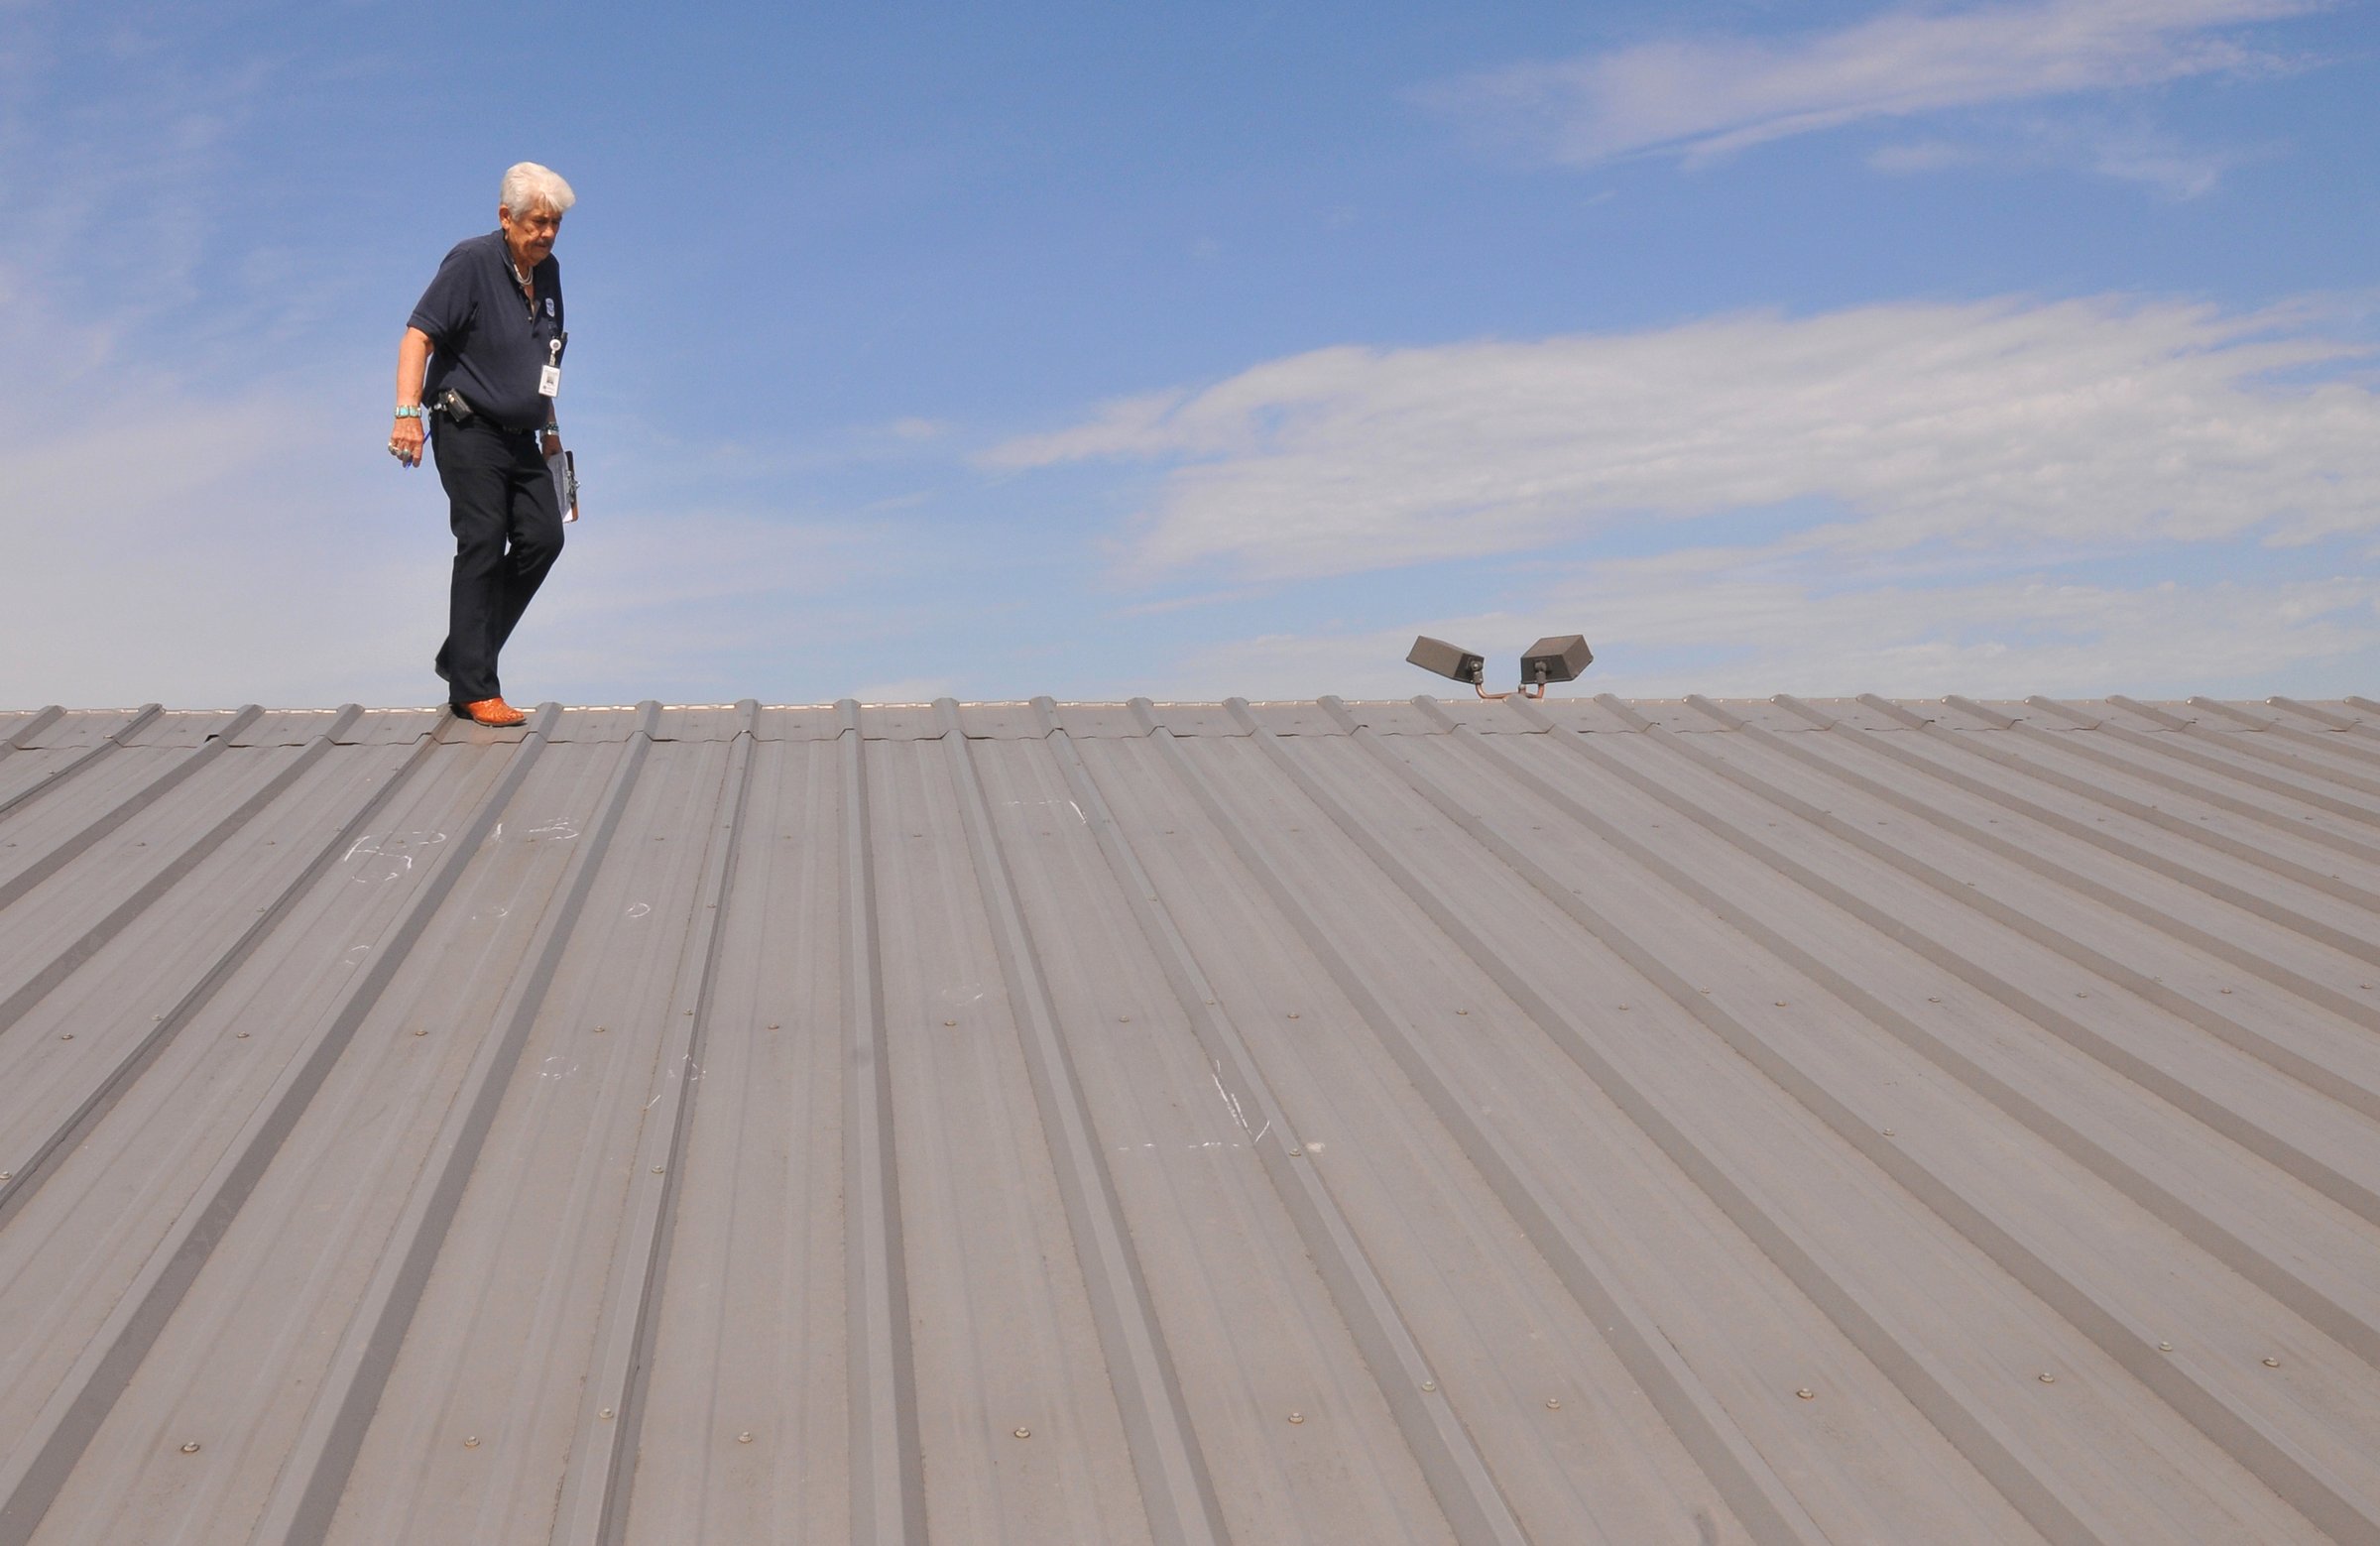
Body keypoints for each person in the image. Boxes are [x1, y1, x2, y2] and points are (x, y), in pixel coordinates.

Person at [388, 162, 577, 728]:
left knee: (544, 538)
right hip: (466, 426)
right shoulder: (471, 261)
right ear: (506, 217)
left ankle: (459, 654)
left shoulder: (549, 273)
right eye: (537, 222)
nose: (546, 233)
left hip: (524, 434)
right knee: (482, 537)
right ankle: (474, 687)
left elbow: (544, 360)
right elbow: (417, 335)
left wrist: (550, 429)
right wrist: (405, 415)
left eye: (555, 224)